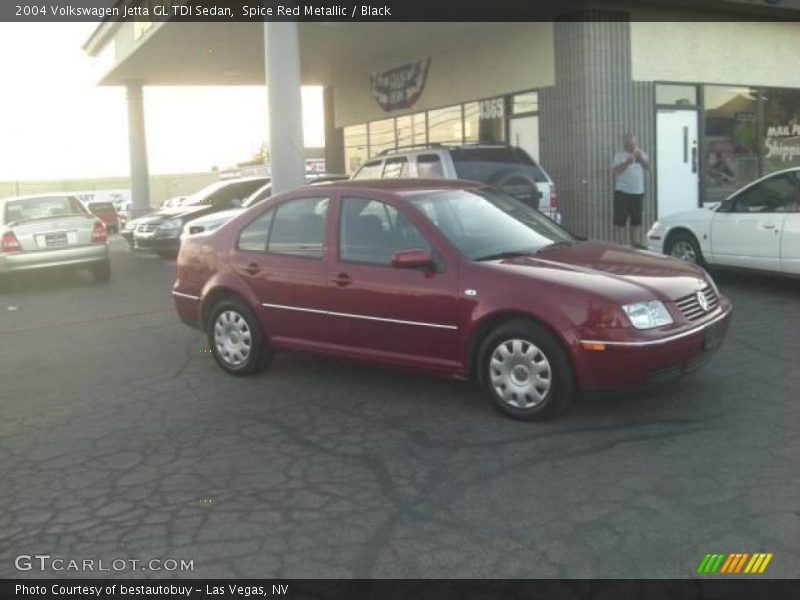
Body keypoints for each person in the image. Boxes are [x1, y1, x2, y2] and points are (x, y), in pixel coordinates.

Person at [611, 133, 650, 247]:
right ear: (626, 144)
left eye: (635, 143)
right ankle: (621, 243)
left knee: (636, 218)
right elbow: (615, 171)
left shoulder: (640, 153)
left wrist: (641, 159)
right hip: (622, 191)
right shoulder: (619, 155)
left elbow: (648, 167)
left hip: (637, 191)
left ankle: (636, 242)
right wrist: (627, 162)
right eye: (631, 144)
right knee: (620, 219)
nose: (633, 146)